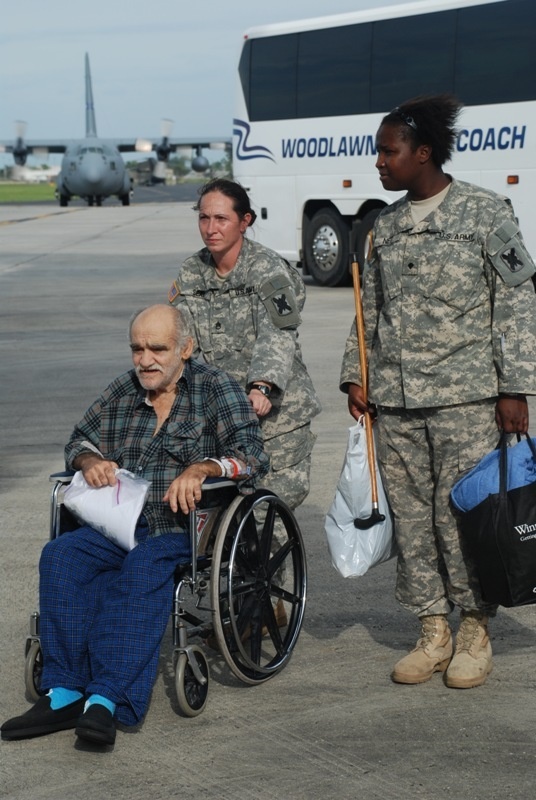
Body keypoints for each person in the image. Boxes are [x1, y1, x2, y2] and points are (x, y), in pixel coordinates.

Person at [1, 304, 268, 745]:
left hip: (183, 529)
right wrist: (89, 461)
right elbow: (77, 440)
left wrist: (204, 468)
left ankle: (106, 699)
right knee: (61, 556)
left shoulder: (214, 388)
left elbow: (252, 455)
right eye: (137, 349)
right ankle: (64, 691)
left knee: (144, 567)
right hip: (120, 523)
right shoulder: (123, 390)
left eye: (157, 349)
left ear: (186, 348)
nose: (145, 360)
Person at [340, 95, 536, 689]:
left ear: (423, 152)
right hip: (396, 403)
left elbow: (517, 300)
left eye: (388, 151)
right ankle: (432, 631)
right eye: (378, 151)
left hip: (465, 400)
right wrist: (357, 374)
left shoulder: (485, 211)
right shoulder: (386, 225)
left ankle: (475, 629)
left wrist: (516, 387)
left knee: (464, 517)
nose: (379, 162)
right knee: (413, 521)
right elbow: (368, 308)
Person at [167, 178, 321, 513]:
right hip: (221, 417)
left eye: (221, 219)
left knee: (267, 514)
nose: (211, 228)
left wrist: (262, 386)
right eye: (204, 218)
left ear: (244, 221)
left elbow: (278, 331)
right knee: (219, 515)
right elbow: (180, 339)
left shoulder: (267, 269)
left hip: (275, 419)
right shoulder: (192, 272)